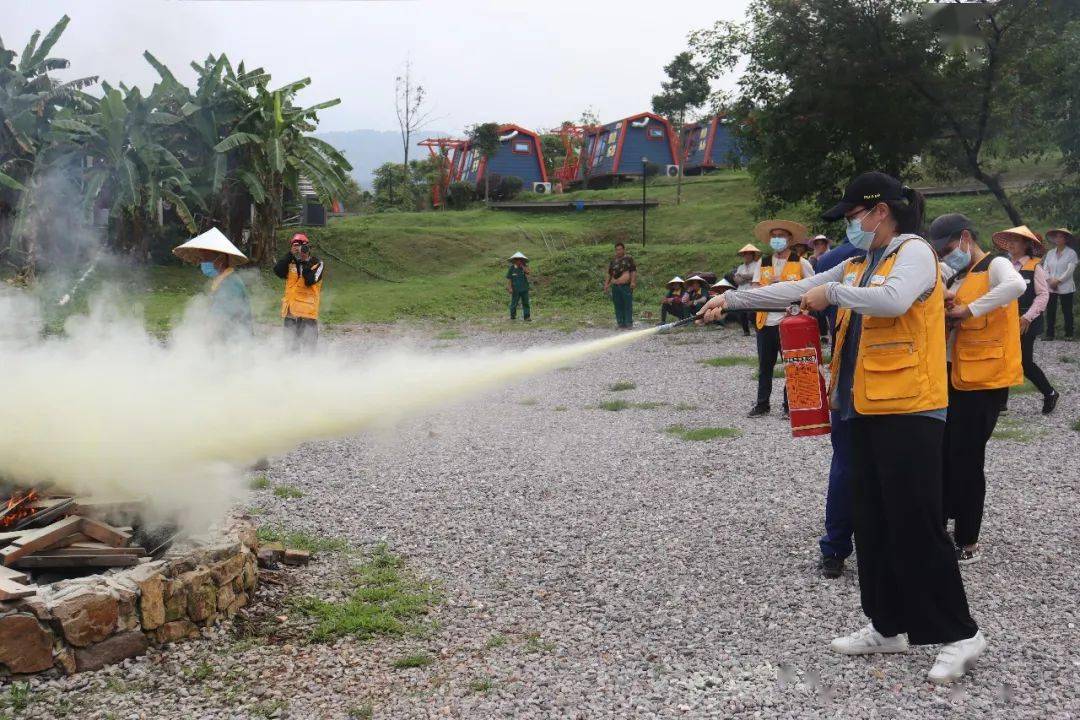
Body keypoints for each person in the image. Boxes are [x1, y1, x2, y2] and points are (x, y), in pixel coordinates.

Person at [702, 171, 984, 684]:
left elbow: (894, 300)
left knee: (917, 523)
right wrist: (732, 300)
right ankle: (887, 625)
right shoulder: (857, 262)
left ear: (880, 212)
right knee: (871, 520)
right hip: (859, 409)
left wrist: (833, 294)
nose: (850, 225)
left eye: (854, 216)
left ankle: (962, 634)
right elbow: (800, 287)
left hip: (909, 409)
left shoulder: (914, 252)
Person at [930, 213, 1025, 566]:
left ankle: (967, 540)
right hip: (955, 376)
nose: (947, 255)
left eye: (950, 248)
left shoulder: (996, 265)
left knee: (967, 459)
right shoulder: (962, 273)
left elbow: (1017, 287)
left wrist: (969, 309)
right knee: (944, 454)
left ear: (966, 237)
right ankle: (940, 525)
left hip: (984, 381)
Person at [748, 220, 815, 418]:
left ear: (790, 239)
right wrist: (768, 288)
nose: (777, 239)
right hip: (765, 321)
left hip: (790, 322)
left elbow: (812, 287)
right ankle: (762, 404)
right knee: (764, 366)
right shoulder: (764, 262)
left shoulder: (802, 263)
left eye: (781, 235)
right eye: (774, 236)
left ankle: (790, 405)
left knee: (792, 365)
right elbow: (754, 288)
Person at [995, 226, 1059, 414]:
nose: (1011, 244)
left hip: (1026, 320)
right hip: (1005, 319)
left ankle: (1050, 393)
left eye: (1016, 240)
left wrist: (1027, 317)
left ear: (1026, 245)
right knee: (1004, 358)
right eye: (1010, 240)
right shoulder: (1003, 265)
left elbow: (1042, 295)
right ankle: (1001, 403)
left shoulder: (1035, 266)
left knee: (1024, 362)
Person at [172, 227, 253, 342]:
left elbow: (224, 318)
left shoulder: (231, 283)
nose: (204, 261)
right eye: (203, 259)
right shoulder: (222, 279)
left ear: (220, 257)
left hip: (234, 344)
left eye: (207, 257)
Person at [273, 233, 324, 350]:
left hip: (307, 315)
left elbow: (309, 281)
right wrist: (290, 254)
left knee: (309, 351)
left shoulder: (317, 263)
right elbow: (277, 271)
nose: (299, 250)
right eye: (296, 246)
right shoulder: (290, 263)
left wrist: (305, 261)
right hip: (290, 314)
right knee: (290, 350)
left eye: (301, 247)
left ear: (307, 247)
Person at [1043, 228, 1077, 340]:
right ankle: (1049, 334)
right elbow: (1045, 268)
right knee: (1050, 310)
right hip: (1050, 285)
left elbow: (1070, 270)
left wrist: (1058, 281)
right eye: (1056, 236)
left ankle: (1069, 334)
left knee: (1067, 310)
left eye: (1061, 236)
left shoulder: (1071, 253)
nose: (1058, 239)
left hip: (1065, 285)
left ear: (1066, 239)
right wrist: (1049, 280)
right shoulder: (1050, 253)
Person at [604, 242, 637, 329]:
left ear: (623, 249)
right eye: (617, 250)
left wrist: (633, 282)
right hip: (615, 286)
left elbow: (633, 271)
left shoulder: (628, 258)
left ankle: (629, 323)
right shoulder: (613, 261)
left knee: (627, 304)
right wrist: (606, 284)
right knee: (618, 305)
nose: (618, 251)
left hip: (626, 285)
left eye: (620, 249)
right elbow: (609, 274)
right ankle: (620, 323)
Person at [731, 244, 761, 336]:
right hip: (742, 291)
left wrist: (743, 276)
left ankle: (758, 329)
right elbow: (737, 280)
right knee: (741, 312)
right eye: (745, 254)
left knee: (752, 313)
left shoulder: (757, 265)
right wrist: (748, 277)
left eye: (749, 254)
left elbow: (757, 275)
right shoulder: (741, 267)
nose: (747, 256)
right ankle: (746, 331)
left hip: (753, 290)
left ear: (753, 255)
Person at [504, 251, 531, 321]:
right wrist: (510, 288)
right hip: (515, 289)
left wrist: (522, 266)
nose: (519, 261)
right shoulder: (512, 268)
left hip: (524, 288)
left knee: (526, 303)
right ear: (515, 260)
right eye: (518, 259)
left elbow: (528, 272)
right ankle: (513, 316)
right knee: (514, 303)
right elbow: (509, 279)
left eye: (521, 259)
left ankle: (527, 317)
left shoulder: (524, 266)